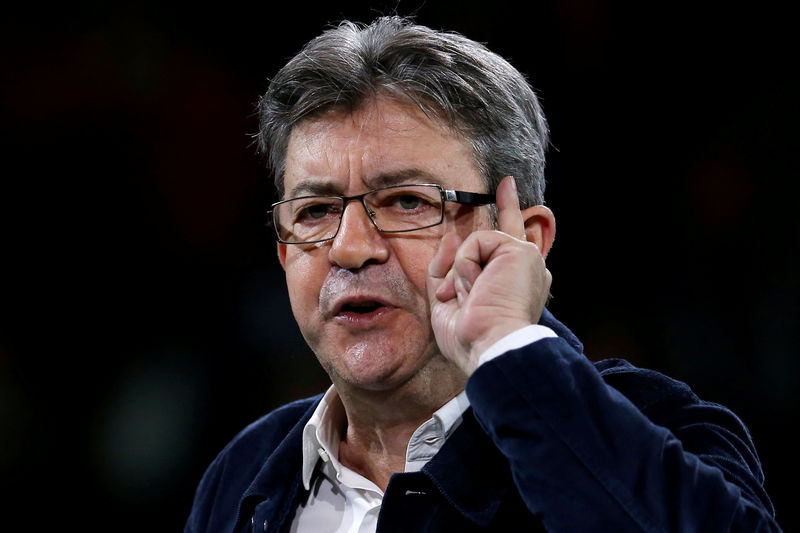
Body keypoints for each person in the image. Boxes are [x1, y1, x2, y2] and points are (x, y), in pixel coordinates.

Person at [184, 16, 781, 532]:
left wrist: (507, 345)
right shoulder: (248, 470)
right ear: (286, 254)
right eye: (315, 212)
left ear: (524, 241)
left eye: (407, 202)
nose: (350, 248)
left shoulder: (655, 427)